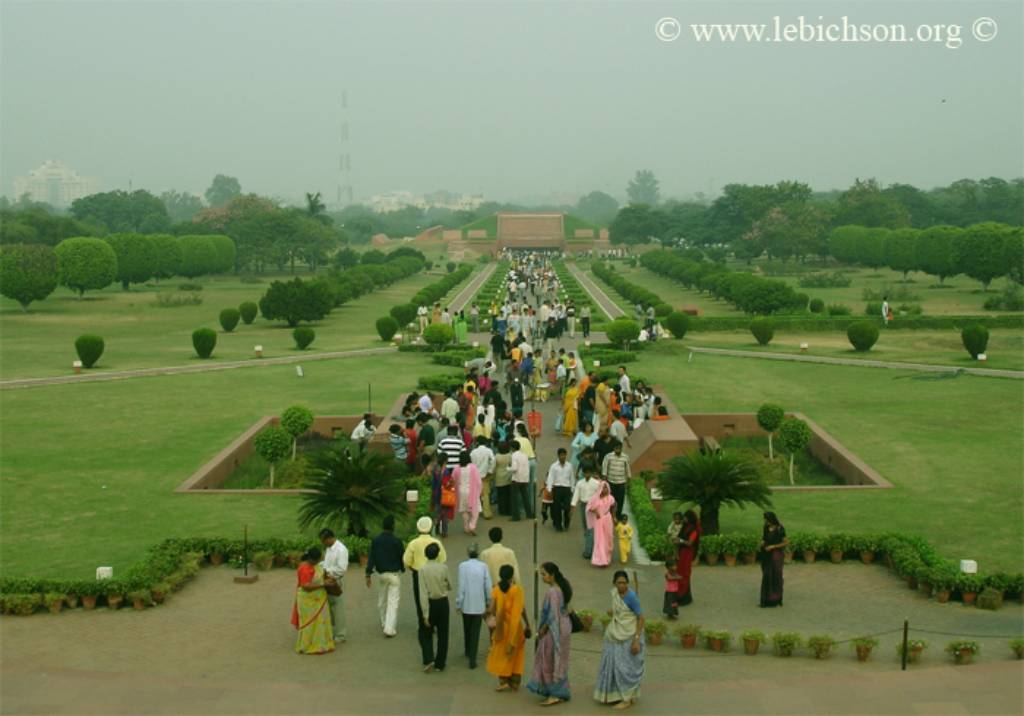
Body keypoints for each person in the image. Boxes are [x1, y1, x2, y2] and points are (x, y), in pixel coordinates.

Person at [593, 571, 646, 709]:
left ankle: (627, 698)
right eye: (619, 583)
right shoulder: (615, 594)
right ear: (614, 584)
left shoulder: (632, 597)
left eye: (624, 582)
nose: (622, 585)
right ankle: (619, 695)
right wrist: (612, 611)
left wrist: (636, 640)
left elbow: (641, 618)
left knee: (626, 668)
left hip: (629, 635)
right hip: (615, 634)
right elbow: (621, 610)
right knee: (615, 665)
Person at [404, 517, 447, 670]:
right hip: (436, 576)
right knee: (443, 629)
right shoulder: (437, 543)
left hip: (418, 574)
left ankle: (427, 655)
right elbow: (443, 559)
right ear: (430, 528)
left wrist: (414, 568)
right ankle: (440, 662)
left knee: (421, 604)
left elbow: (406, 561)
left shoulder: (413, 543)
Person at [527, 562, 573, 705]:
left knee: (550, 660)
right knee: (559, 660)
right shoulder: (563, 588)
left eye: (544, 574)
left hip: (555, 630)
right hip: (564, 627)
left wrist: (543, 629)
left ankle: (555, 693)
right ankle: (558, 691)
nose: (542, 577)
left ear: (552, 575)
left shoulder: (553, 592)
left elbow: (552, 615)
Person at [487, 564, 530, 691]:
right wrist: (527, 624)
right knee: (516, 654)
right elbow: (521, 609)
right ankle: (515, 682)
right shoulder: (517, 590)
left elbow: (491, 609)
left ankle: (503, 680)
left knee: (501, 654)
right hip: (515, 628)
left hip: (501, 628)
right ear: (512, 576)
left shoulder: (496, 589)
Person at [365, 515, 405, 637]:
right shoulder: (397, 541)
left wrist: (368, 574)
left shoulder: (376, 540)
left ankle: (384, 622)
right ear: (393, 526)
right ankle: (389, 628)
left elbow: (371, 557)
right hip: (394, 575)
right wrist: (402, 568)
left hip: (381, 575)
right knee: (393, 602)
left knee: (382, 600)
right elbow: (402, 557)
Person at [290, 548, 335, 655]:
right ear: (312, 559)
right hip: (307, 601)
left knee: (321, 621)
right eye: (318, 560)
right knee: (310, 623)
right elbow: (306, 586)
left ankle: (322, 643)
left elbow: (318, 577)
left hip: (320, 599)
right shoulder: (304, 568)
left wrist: (327, 580)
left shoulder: (316, 566)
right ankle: (308, 645)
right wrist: (324, 584)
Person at [457, 543, 492, 669]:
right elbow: (488, 586)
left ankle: (467, 650)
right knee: (475, 631)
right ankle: (473, 658)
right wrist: (489, 601)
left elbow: (461, 587)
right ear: (478, 554)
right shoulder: (483, 566)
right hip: (479, 604)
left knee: (466, 628)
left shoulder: (462, 566)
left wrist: (458, 603)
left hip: (466, 603)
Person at [419, 543, 452, 672]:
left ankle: (428, 659)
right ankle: (440, 663)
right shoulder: (443, 567)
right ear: (438, 554)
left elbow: (423, 593)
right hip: (443, 602)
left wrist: (425, 613)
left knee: (426, 632)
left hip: (430, 602)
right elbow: (449, 584)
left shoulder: (423, 570)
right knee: (443, 634)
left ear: (426, 555)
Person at [319, 529, 348, 643]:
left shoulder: (341, 550)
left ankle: (341, 635)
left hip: (336, 581)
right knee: (331, 608)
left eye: (323, 541)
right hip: (328, 580)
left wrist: (327, 570)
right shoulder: (329, 549)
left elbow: (342, 569)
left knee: (338, 608)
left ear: (329, 538)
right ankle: (333, 632)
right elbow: (327, 563)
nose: (323, 543)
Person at [759, 511, 788, 608]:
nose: (766, 521)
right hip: (766, 554)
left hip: (776, 555)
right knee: (766, 576)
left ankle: (777, 599)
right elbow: (764, 538)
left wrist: (774, 546)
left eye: (767, 520)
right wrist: (762, 543)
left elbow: (785, 542)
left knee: (775, 576)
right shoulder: (766, 527)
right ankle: (765, 600)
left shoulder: (780, 529)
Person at [571, 471, 602, 560]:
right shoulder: (580, 483)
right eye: (585, 473)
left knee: (590, 529)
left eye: (589, 473)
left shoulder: (596, 483)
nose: (587, 474)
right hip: (583, 506)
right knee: (586, 528)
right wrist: (573, 506)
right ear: (583, 474)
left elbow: (600, 495)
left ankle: (588, 551)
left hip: (593, 507)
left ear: (591, 473)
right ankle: (591, 547)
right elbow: (576, 494)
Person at [545, 448, 575, 532]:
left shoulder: (569, 466)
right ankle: (558, 525)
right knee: (556, 508)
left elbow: (572, 478)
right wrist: (549, 489)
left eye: (564, 455)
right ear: (558, 456)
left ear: (566, 455)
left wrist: (572, 489)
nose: (563, 457)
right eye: (561, 455)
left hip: (566, 489)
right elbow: (550, 478)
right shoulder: (553, 466)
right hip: (557, 489)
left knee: (567, 508)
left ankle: (566, 522)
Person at [674, 510, 700, 607]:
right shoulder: (684, 527)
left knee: (684, 573)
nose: (683, 519)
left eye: (685, 517)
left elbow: (690, 543)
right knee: (678, 572)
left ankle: (683, 597)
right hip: (681, 553)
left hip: (687, 554)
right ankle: (678, 595)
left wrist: (680, 541)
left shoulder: (694, 530)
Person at [453, 451, 482, 536]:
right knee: (475, 510)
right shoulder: (473, 467)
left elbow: (453, 480)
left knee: (464, 510)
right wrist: (480, 490)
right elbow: (478, 481)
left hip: (461, 492)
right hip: (472, 491)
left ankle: (466, 527)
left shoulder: (457, 468)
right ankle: (472, 525)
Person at [588, 482, 616, 567]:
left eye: (606, 488)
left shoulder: (610, 498)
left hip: (608, 519)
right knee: (600, 540)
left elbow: (614, 507)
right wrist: (595, 512)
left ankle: (607, 557)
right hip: (599, 520)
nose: (604, 490)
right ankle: (601, 560)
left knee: (608, 539)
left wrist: (614, 517)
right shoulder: (595, 498)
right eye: (603, 488)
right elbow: (589, 508)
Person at [601, 442, 631, 521]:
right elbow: (604, 469)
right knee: (611, 500)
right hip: (611, 482)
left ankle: (618, 515)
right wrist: (604, 483)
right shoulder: (608, 456)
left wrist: (628, 482)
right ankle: (610, 515)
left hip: (621, 482)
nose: (618, 450)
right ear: (614, 448)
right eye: (616, 448)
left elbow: (628, 470)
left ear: (621, 448)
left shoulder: (625, 457)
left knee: (620, 500)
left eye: (619, 448)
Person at [470, 437, 496, 520]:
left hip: (475, 475)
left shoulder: (473, 452)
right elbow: (493, 460)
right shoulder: (488, 451)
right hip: (484, 476)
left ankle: (476, 511)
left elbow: (470, 463)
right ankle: (487, 513)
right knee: (485, 495)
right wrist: (490, 471)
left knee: (476, 495)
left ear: (477, 443)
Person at [508, 439, 534, 521]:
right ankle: (529, 513)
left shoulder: (514, 455)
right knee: (525, 497)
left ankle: (516, 516)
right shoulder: (524, 455)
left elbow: (514, 468)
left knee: (514, 499)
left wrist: (508, 468)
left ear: (512, 448)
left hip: (516, 478)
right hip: (524, 478)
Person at [493, 441, 513, 516]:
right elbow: (511, 465)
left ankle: (502, 510)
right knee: (508, 494)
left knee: (501, 495)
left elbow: (494, 467)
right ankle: (509, 510)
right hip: (508, 475)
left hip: (499, 477)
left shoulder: (497, 456)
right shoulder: (509, 455)